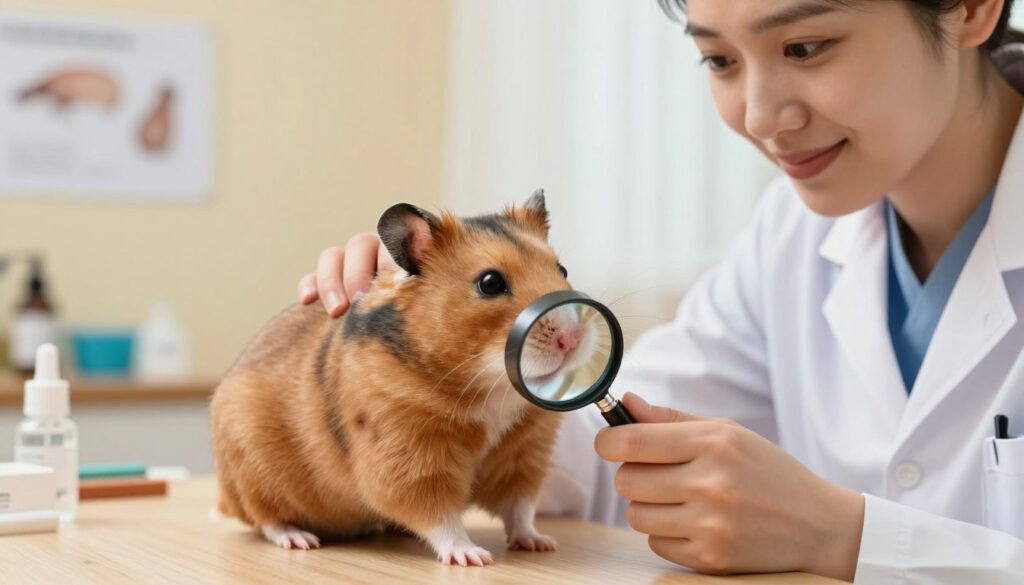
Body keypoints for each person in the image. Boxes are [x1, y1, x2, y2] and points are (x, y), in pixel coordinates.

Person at [297, 0, 1024, 581]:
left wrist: (841, 534)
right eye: (719, 59)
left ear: (969, 8)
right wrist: (410, 366)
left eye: (805, 47)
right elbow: (607, 453)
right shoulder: (792, 237)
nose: (762, 116)